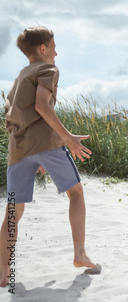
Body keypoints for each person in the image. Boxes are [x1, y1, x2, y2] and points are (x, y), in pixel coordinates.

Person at [1, 26, 100, 288]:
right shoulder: (49, 70)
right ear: (43, 49)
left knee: (14, 210)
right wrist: (66, 138)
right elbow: (41, 106)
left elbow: (11, 113)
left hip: (18, 150)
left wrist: (34, 154)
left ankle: (2, 269)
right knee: (76, 193)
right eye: (54, 46)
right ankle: (79, 254)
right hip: (47, 145)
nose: (57, 52)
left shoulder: (20, 76)